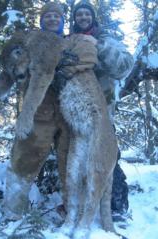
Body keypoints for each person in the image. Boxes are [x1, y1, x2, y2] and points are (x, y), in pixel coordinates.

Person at [3, 2, 70, 220]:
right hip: (38, 114)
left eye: (56, 16)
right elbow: (12, 67)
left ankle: (72, 209)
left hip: (67, 115)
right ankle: (12, 212)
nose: (52, 19)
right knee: (24, 160)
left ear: (62, 21)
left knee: (71, 162)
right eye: (48, 16)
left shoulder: (69, 42)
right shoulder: (30, 40)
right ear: (42, 20)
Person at [69, 0, 133, 216]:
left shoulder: (106, 39)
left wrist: (99, 46)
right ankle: (79, 203)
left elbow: (124, 66)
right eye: (79, 14)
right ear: (75, 19)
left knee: (106, 153)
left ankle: (116, 205)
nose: (83, 17)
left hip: (103, 107)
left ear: (93, 17)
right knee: (77, 155)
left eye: (87, 13)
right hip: (77, 109)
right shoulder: (70, 41)